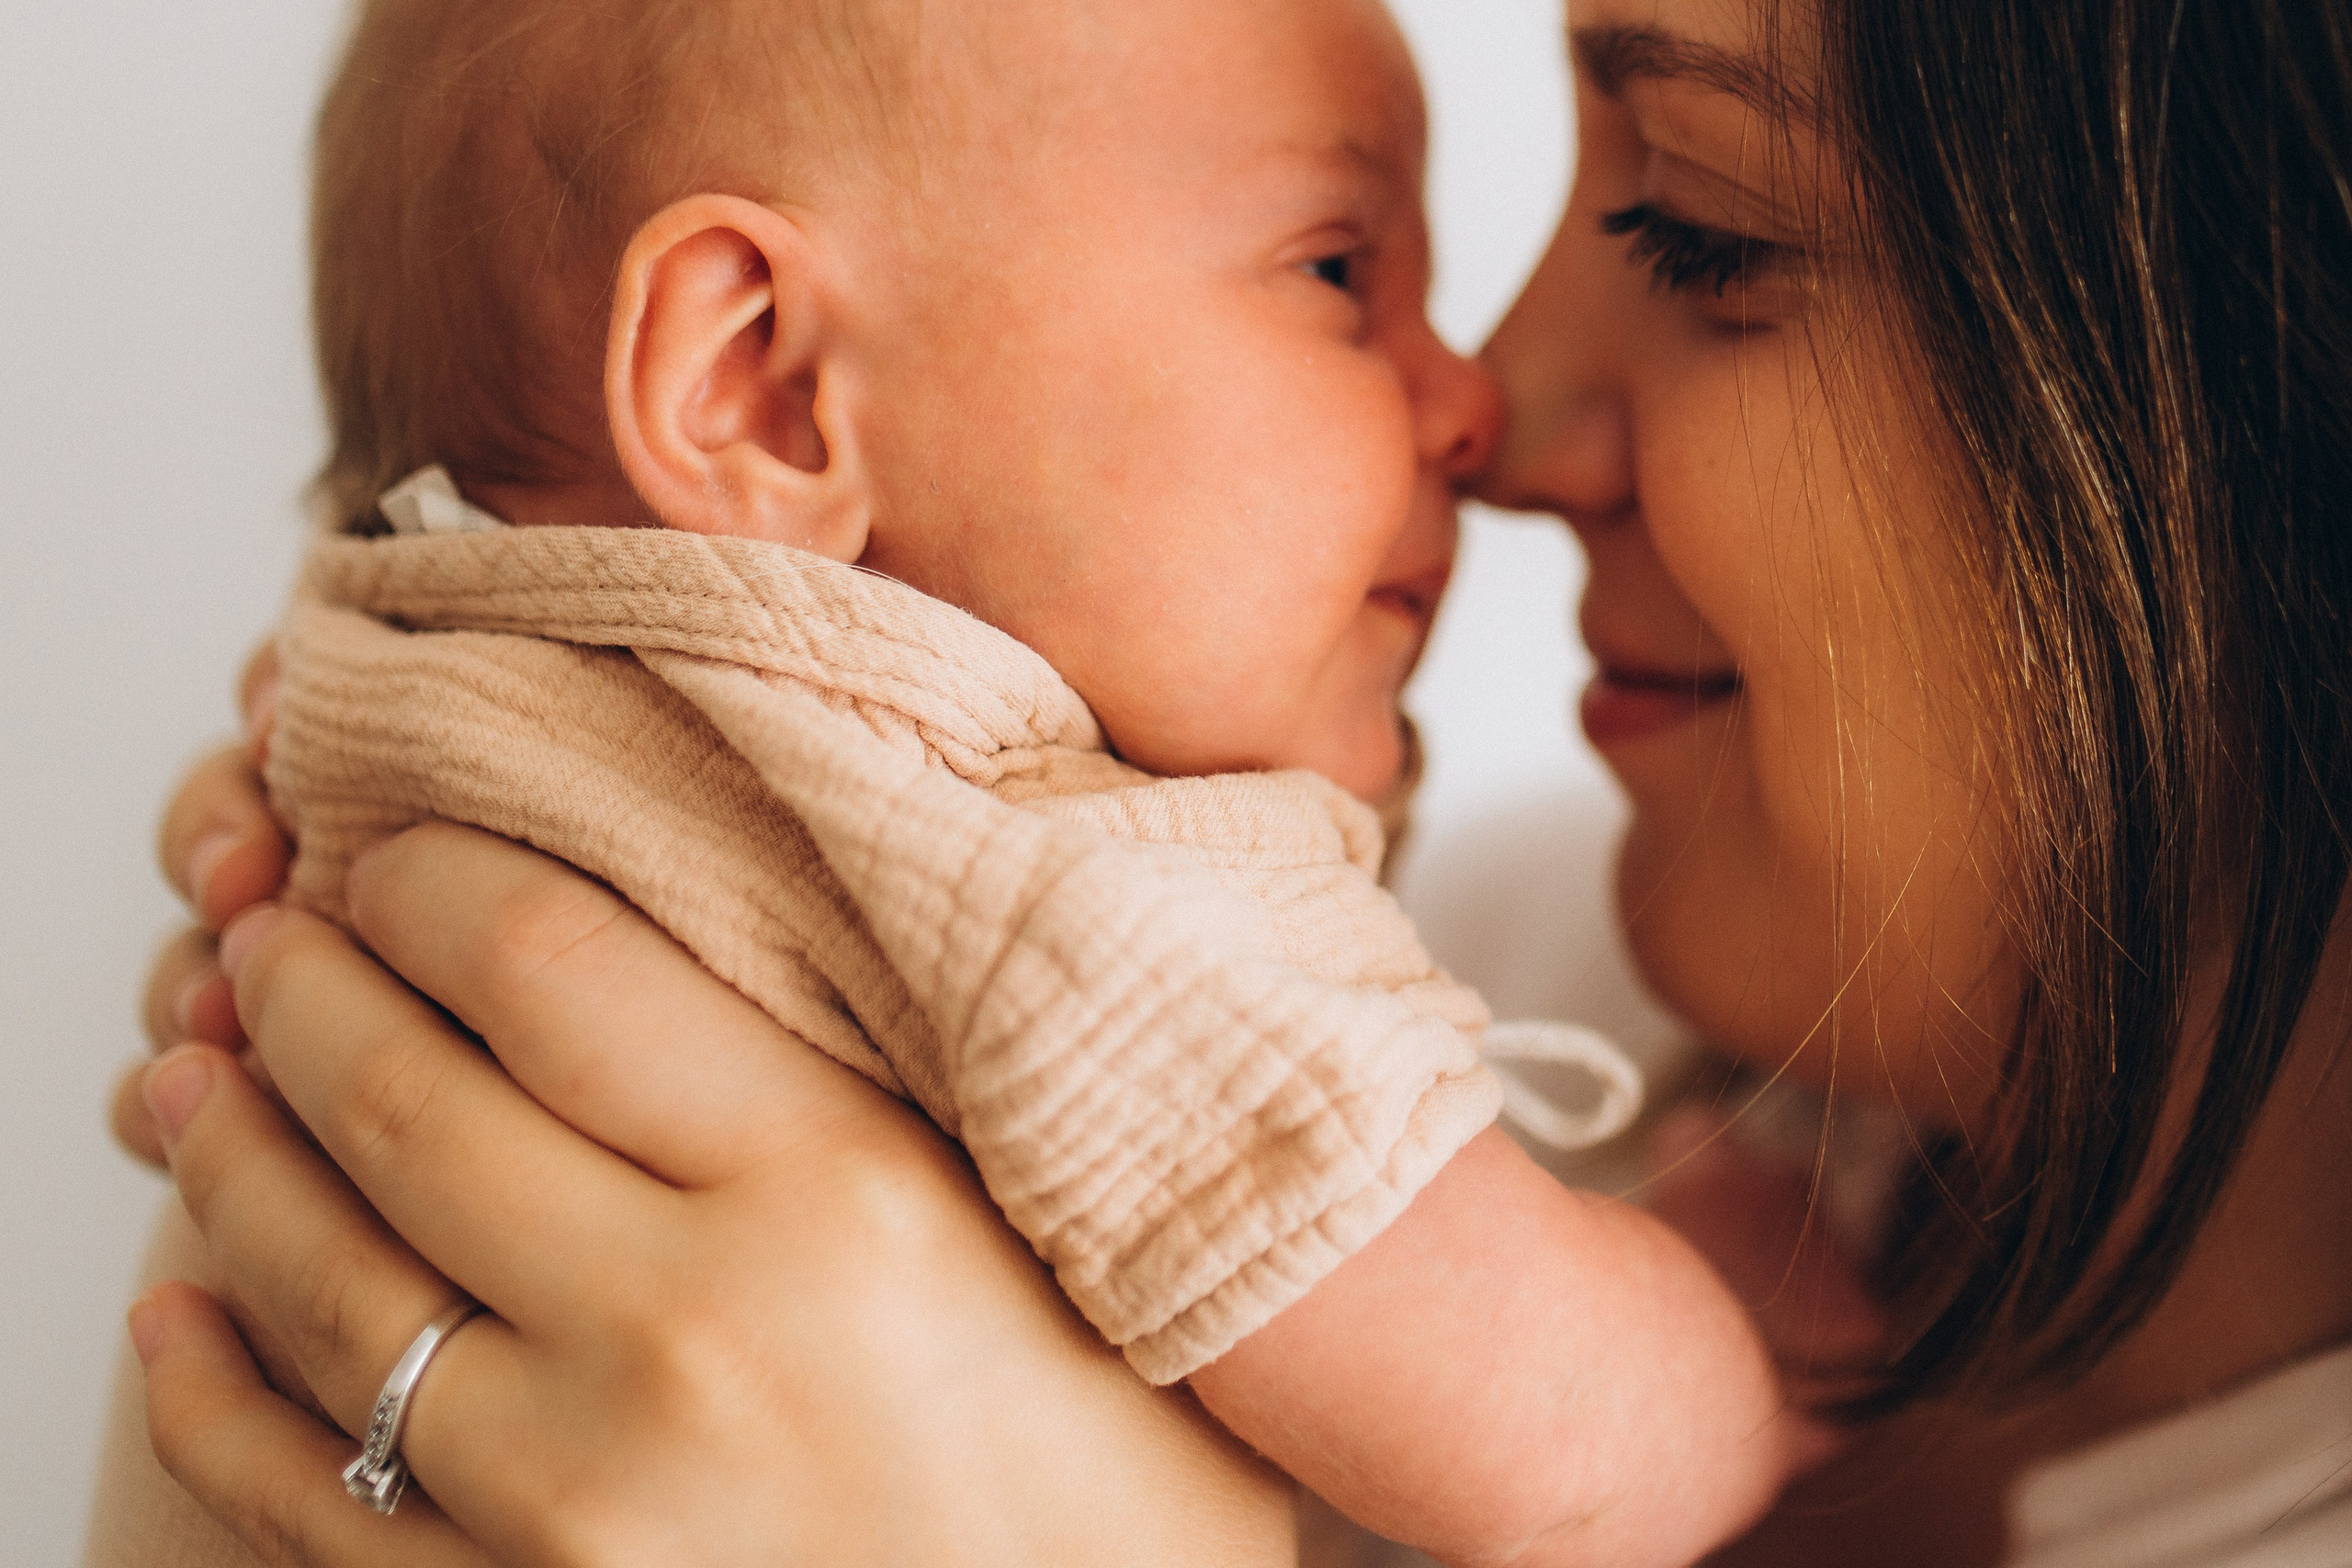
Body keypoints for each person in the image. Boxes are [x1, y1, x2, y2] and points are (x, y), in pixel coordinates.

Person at [90, 0, 2352, 1562]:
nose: (1493, 391)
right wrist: (1728, 1349)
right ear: (765, 387)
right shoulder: (1147, 894)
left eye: (1703, 228)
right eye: (1338, 267)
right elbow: (1542, 1426)